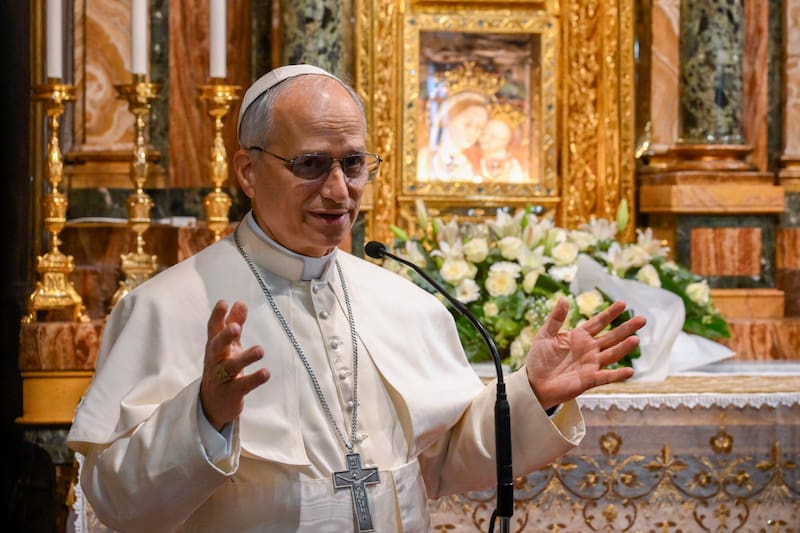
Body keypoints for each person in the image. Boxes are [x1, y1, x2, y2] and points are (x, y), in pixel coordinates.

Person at [67, 64, 645, 532]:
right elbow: (119, 504)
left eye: (353, 164)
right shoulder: (165, 307)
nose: (339, 190)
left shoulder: (403, 303)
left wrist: (530, 394)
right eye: (310, 165)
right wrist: (204, 416)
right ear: (247, 171)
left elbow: (441, 464)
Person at [418, 91, 489, 182]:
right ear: (449, 119)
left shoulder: (469, 166)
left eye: (480, 127)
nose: (473, 132)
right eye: (467, 124)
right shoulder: (426, 158)